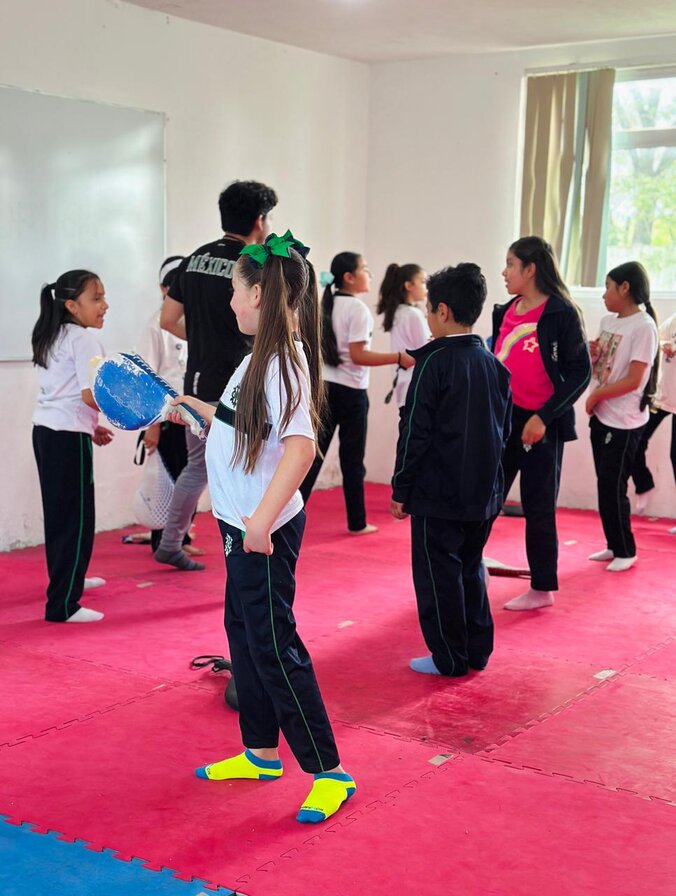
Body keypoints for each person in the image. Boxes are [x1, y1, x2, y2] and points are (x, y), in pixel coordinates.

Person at [170, 231, 355, 825]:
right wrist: (194, 409)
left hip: (260, 531)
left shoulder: (283, 363)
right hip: (239, 523)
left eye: (235, 291)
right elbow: (241, 428)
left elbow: (300, 449)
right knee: (244, 634)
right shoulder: (257, 360)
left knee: (276, 645)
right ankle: (260, 752)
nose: (229, 302)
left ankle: (331, 772)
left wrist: (261, 523)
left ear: (258, 295)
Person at [391, 263, 511, 676]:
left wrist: (401, 488)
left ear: (442, 311)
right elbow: (502, 432)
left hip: (437, 495)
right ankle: (476, 651)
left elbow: (415, 432)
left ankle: (449, 658)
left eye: (428, 310)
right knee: (470, 568)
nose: (428, 317)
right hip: (483, 493)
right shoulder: (493, 364)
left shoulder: (432, 363)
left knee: (438, 576)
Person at [155, 180, 278, 570]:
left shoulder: (193, 259)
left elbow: (168, 319)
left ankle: (170, 541)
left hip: (196, 383)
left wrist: (202, 337)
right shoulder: (252, 263)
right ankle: (249, 545)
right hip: (239, 385)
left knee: (196, 468)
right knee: (247, 466)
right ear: (259, 220)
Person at [492, 236, 591, 610]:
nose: (504, 272)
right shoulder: (504, 310)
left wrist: (544, 417)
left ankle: (542, 587)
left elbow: (580, 373)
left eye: (510, 264)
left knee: (538, 506)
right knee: (487, 495)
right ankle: (469, 566)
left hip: (541, 422)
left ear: (530, 269)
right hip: (503, 419)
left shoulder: (562, 313)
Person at [299, 252, 414, 534]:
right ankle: (357, 522)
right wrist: (398, 357)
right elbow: (358, 355)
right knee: (352, 460)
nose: (370, 274)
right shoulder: (358, 310)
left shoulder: (327, 304)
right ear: (349, 277)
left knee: (312, 457)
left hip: (325, 389)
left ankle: (288, 516)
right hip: (351, 393)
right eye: (365, 269)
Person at [31, 271, 114, 623]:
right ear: (71, 305)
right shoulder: (83, 339)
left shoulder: (54, 334)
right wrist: (133, 410)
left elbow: (64, 393)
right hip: (66, 439)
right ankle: (64, 604)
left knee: (61, 517)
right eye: (96, 298)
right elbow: (89, 395)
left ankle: (71, 579)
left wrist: (89, 428)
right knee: (76, 520)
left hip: (48, 432)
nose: (104, 305)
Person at [586, 261, 660, 570]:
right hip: (601, 415)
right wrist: (593, 353)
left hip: (624, 421)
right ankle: (613, 545)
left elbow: (634, 380)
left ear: (625, 288)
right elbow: (603, 367)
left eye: (608, 287)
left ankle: (626, 550)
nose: (604, 294)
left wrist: (597, 395)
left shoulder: (644, 326)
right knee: (604, 485)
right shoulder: (607, 321)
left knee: (613, 487)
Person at [138, 256, 201, 555]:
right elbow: (147, 377)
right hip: (166, 417)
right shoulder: (157, 325)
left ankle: (180, 537)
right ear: (164, 289)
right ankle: (163, 541)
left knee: (189, 476)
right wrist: (152, 427)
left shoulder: (194, 322)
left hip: (191, 415)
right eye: (176, 286)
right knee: (169, 479)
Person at [630, 310, 676, 526]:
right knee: (635, 441)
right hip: (663, 397)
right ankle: (643, 484)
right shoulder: (672, 320)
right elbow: (657, 340)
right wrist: (665, 345)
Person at [377, 262, 431, 413]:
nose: (426, 287)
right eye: (423, 282)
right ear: (409, 286)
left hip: (405, 388)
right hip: (416, 389)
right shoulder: (413, 315)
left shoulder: (399, 312)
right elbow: (427, 351)